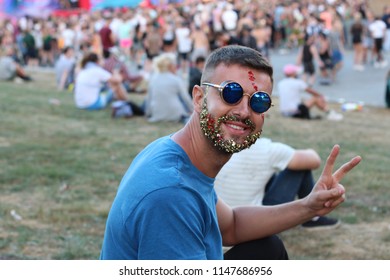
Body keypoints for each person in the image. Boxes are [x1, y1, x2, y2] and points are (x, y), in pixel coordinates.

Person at [100, 45, 361, 260]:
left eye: (259, 101)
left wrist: (308, 205)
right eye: (231, 93)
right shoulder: (171, 193)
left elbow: (231, 225)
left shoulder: (178, 155)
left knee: (267, 249)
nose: (244, 112)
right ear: (199, 98)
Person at [214, 137, 340, 230]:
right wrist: (309, 149)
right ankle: (313, 218)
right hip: (253, 222)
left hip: (218, 219)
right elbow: (314, 160)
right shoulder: (266, 149)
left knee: (270, 174)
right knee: (301, 166)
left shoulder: (213, 144)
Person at [278, 64, 343, 121]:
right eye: (295, 72)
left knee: (303, 101)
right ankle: (329, 113)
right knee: (315, 98)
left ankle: (330, 113)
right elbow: (311, 91)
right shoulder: (297, 82)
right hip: (295, 112)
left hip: (284, 112)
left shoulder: (280, 83)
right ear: (293, 73)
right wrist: (321, 95)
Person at [144, 52, 193, 123]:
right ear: (170, 66)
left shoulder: (153, 79)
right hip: (176, 114)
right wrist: (193, 111)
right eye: (174, 65)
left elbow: (149, 99)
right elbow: (186, 98)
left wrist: (148, 114)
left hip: (157, 115)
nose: (176, 67)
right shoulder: (176, 80)